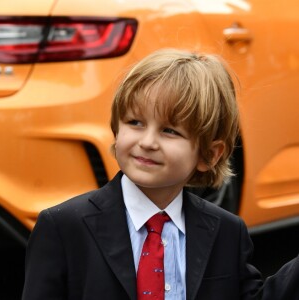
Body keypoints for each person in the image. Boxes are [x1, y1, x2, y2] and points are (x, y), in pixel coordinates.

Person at [22, 48, 263, 300]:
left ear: (209, 155)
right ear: (117, 128)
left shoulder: (227, 231)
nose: (147, 142)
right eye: (135, 122)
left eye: (170, 131)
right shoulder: (63, 227)